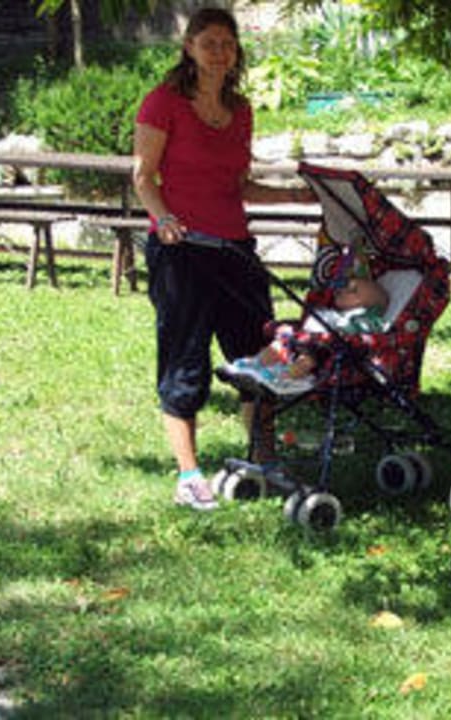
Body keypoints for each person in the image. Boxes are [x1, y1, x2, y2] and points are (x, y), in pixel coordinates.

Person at [132, 7, 314, 511]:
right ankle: (189, 475)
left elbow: (239, 185)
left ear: (236, 52)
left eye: (227, 44)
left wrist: (295, 197)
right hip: (182, 253)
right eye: (209, 42)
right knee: (184, 361)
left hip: (235, 250)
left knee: (261, 356)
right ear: (189, 47)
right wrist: (164, 220)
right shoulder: (163, 103)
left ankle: (264, 458)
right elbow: (143, 178)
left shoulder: (242, 110)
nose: (219, 52)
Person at [221, 274, 390, 394]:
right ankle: (254, 365)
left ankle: (281, 378)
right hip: (307, 340)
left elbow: (369, 332)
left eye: (353, 290)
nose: (344, 290)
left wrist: (348, 328)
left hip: (329, 352)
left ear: (367, 304)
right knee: (281, 343)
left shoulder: (364, 317)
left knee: (309, 357)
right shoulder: (334, 312)